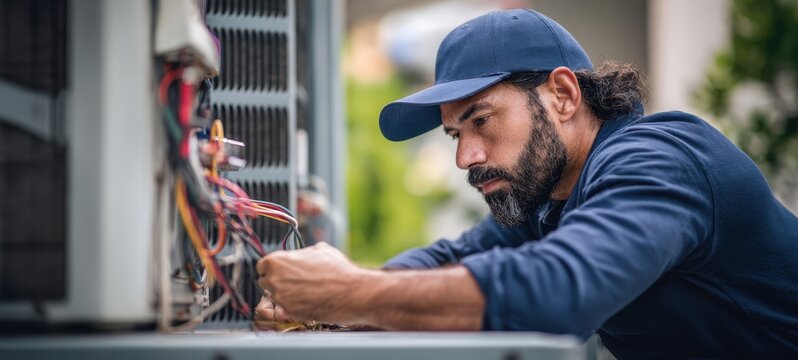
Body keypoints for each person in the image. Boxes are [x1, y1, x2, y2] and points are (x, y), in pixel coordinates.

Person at [256, 9, 798, 358]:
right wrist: (330, 309)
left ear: (562, 95)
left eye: (482, 120)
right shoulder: (550, 197)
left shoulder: (658, 160)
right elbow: (454, 259)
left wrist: (350, 293)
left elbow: (558, 292)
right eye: (454, 136)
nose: (466, 157)